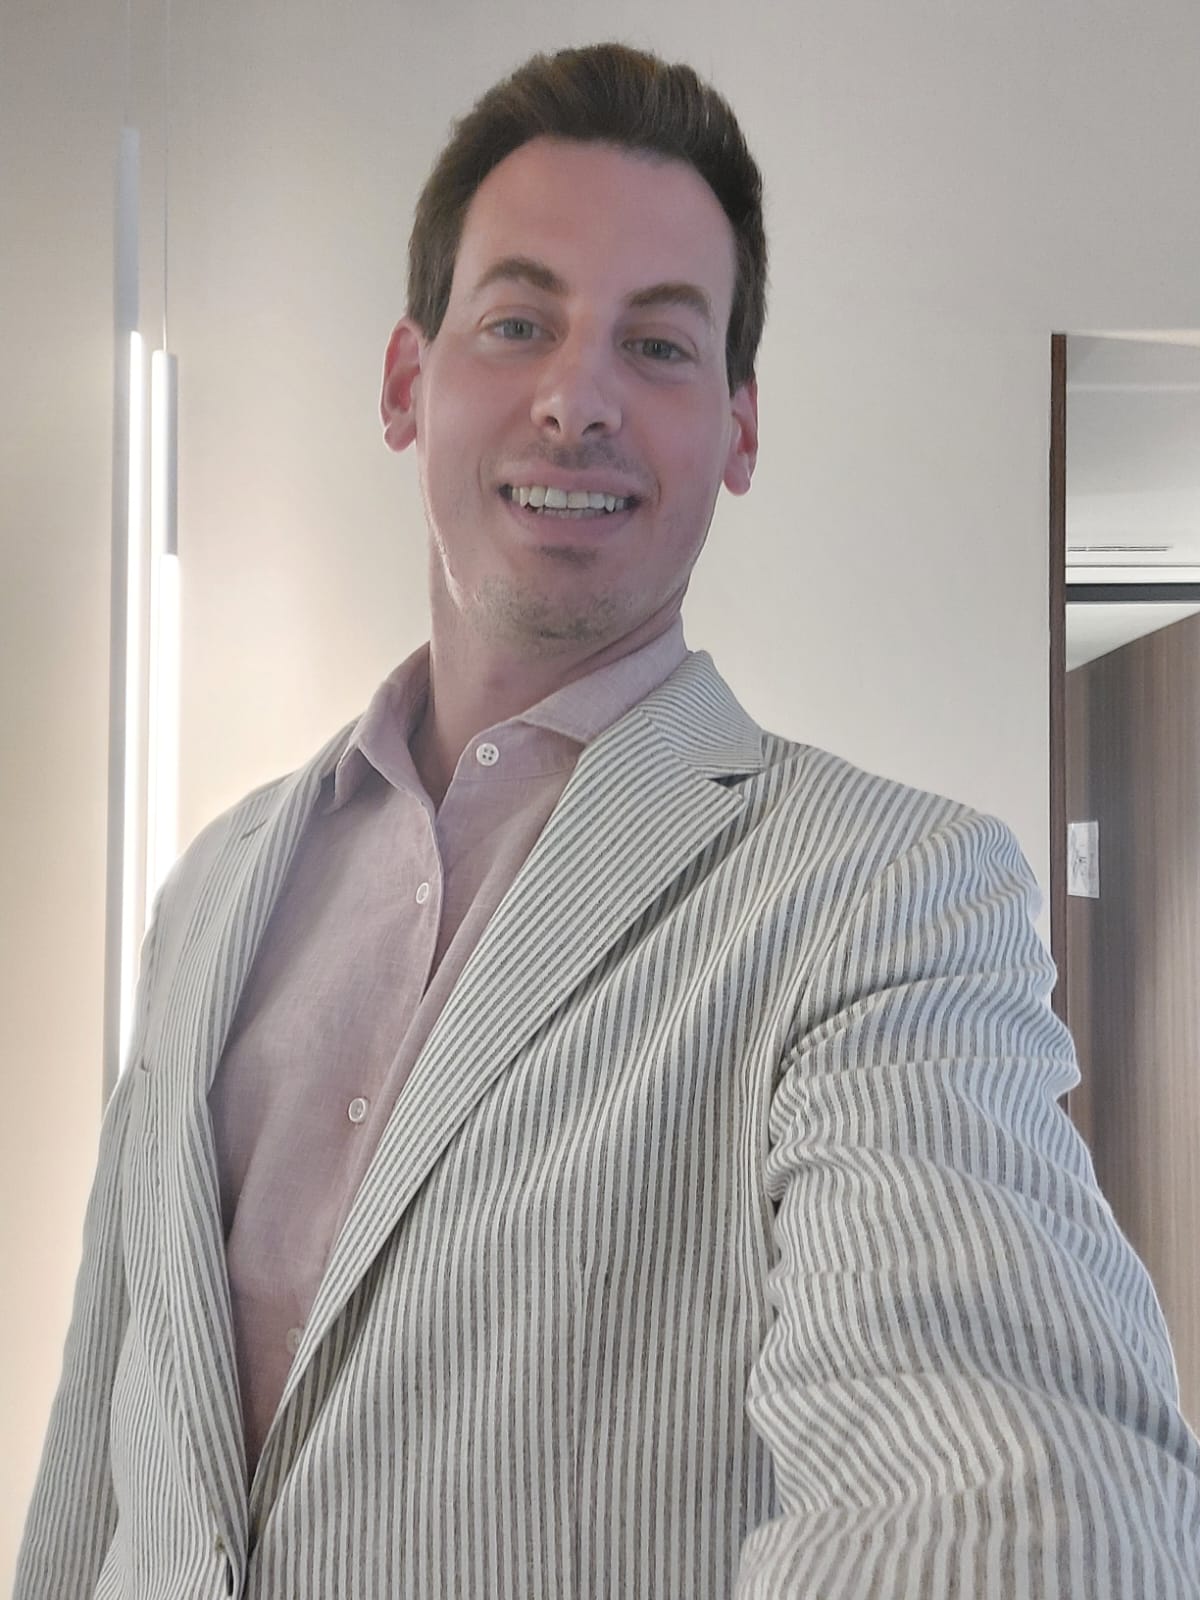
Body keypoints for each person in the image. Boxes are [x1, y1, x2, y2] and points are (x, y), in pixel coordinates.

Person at [15, 40, 1200, 1600]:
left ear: (741, 427)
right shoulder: (212, 888)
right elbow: (98, 1463)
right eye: (518, 323)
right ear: (407, 382)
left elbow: (1018, 1491)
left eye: (658, 345)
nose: (578, 399)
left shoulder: (887, 897)